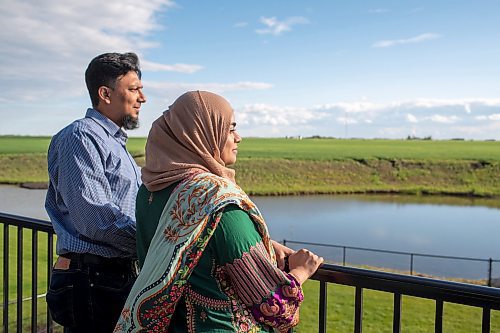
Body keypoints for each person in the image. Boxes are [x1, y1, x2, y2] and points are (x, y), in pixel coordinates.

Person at [114, 91, 323, 332]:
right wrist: (301, 269)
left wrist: (262, 244)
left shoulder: (150, 191)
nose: (238, 137)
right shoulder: (218, 201)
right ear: (202, 133)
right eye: (230, 128)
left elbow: (196, 244)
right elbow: (274, 307)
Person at [45, 52, 146, 332]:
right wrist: (151, 242)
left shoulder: (114, 142)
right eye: (134, 89)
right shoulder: (81, 137)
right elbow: (96, 219)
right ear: (105, 93)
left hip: (109, 275)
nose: (143, 98)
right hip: (91, 278)